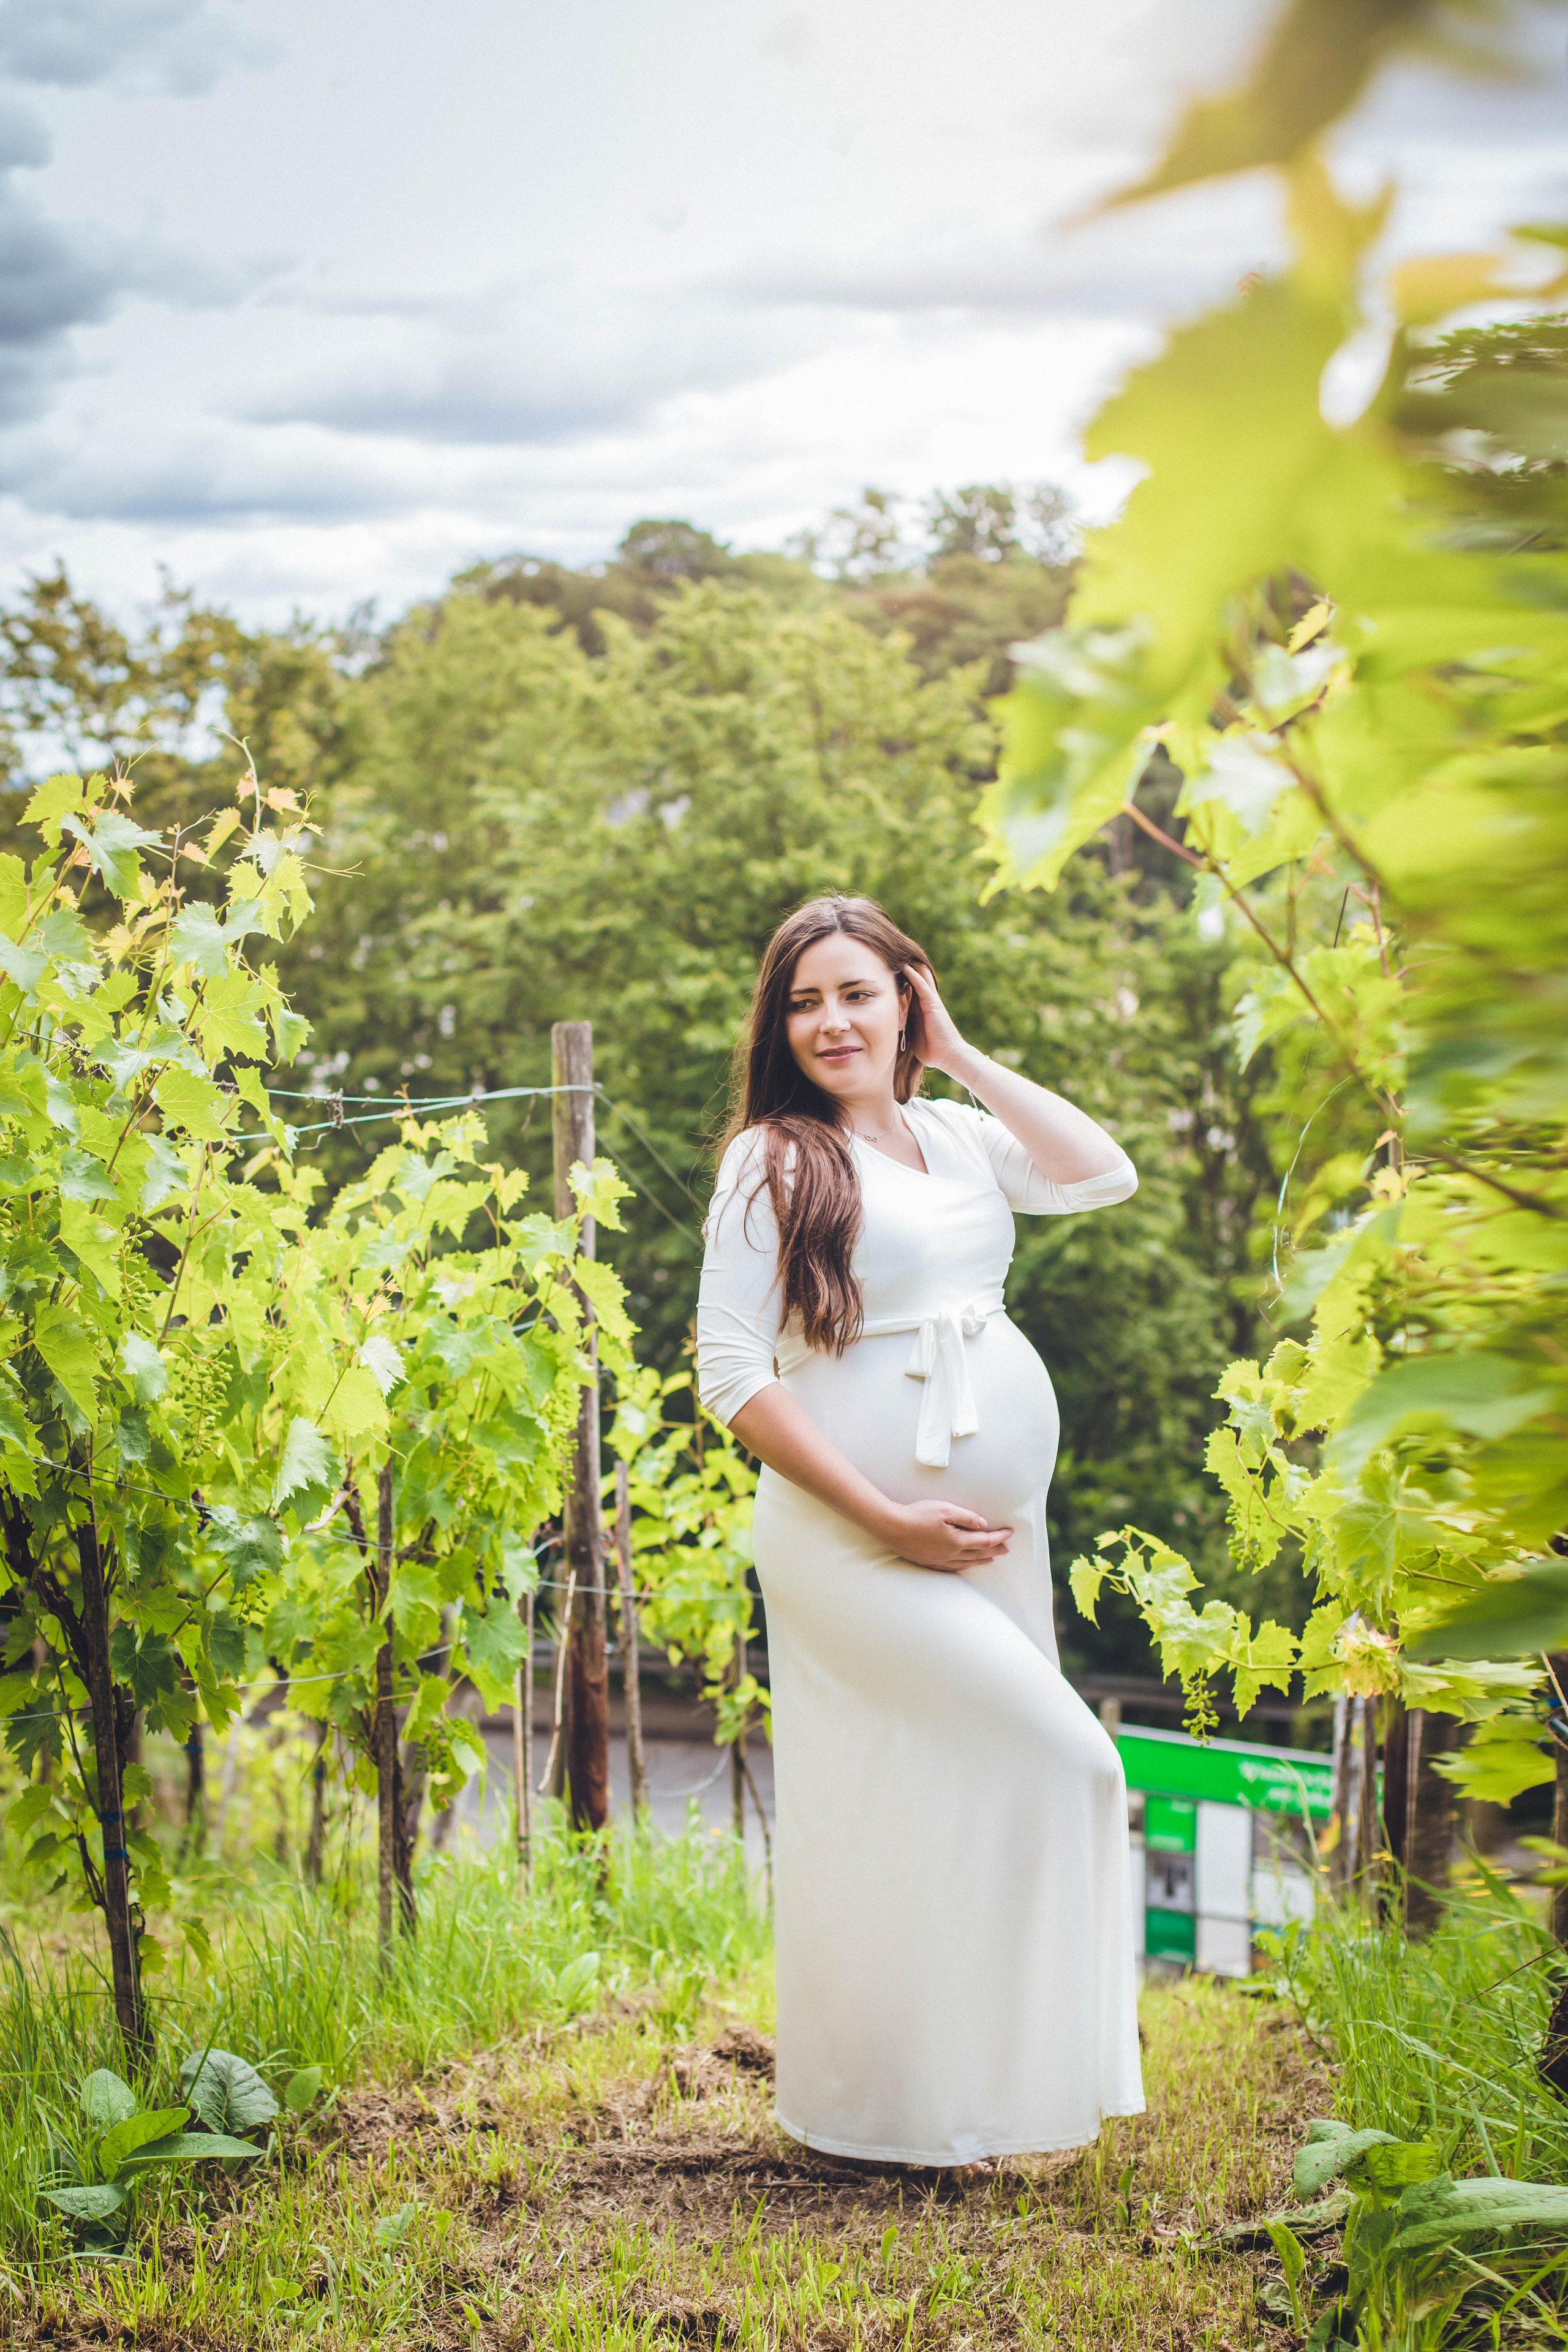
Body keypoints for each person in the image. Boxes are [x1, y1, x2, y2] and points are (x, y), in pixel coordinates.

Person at [695, 894, 1146, 2167]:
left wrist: (954, 1054)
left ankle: (951, 2103)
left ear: (907, 995)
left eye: (857, 993)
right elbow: (729, 1370)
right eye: (804, 1001)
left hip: (987, 1536)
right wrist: (887, 1517)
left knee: (941, 1800)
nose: (830, 1021)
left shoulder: (955, 1135)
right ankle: (916, 2094)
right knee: (1072, 1763)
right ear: (779, 1026)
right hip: (852, 1541)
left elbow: (1102, 1172)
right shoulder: (773, 1159)